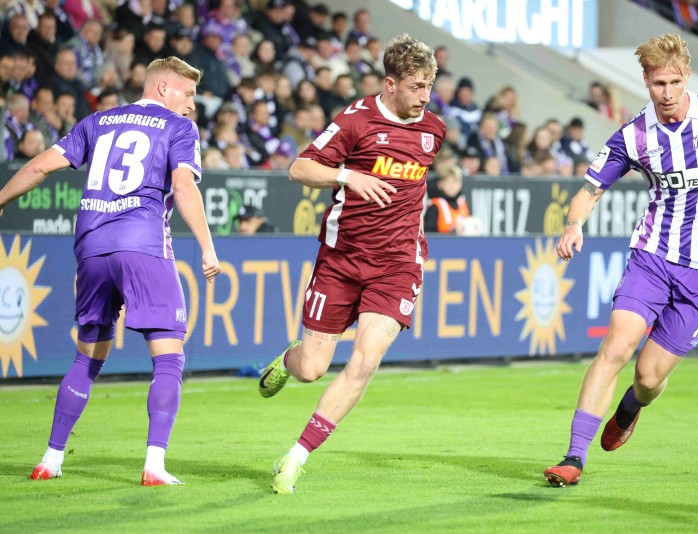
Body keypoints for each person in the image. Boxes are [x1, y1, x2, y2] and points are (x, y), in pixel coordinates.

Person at [543, 33, 698, 487]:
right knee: (616, 347)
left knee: (647, 378)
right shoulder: (633, 135)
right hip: (653, 257)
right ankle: (573, 457)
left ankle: (631, 407)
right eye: (659, 83)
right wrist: (573, 224)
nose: (667, 93)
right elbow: (589, 190)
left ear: (688, 77)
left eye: (675, 82)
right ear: (646, 80)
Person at [0, 56, 222, 486]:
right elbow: (182, 186)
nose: (192, 105)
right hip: (143, 245)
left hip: (91, 248)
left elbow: (39, 166)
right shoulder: (180, 128)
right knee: (169, 357)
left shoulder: (97, 121)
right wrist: (207, 247)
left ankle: (50, 459)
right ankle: (154, 465)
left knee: (86, 358)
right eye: (188, 93)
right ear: (163, 89)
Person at [258, 33, 445, 494]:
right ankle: (289, 359)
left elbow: (415, 189)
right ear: (390, 83)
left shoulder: (433, 130)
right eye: (416, 86)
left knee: (364, 361)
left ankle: (295, 457)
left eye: (429, 85)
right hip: (341, 261)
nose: (425, 96)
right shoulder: (355, 121)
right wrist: (348, 176)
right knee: (311, 369)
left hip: (398, 264)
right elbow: (299, 169)